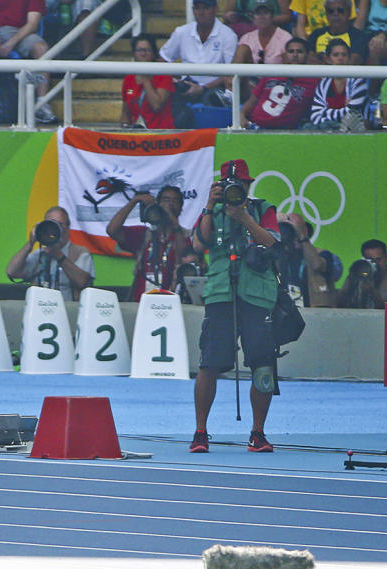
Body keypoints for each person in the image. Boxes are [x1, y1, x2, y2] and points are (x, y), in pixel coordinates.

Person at [190, 159, 281, 454]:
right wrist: (208, 207)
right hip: (220, 292)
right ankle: (200, 431)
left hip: (257, 293)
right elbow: (198, 245)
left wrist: (243, 217)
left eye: (241, 184)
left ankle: (258, 432)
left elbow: (271, 243)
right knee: (209, 362)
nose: (236, 189)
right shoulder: (211, 210)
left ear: (249, 185)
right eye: (230, 185)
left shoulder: (262, 209)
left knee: (263, 362)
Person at [0, 0, 56, 123]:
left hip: (21, 32)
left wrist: (10, 43)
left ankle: (42, 103)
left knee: (42, 49)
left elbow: (32, 24)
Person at [106, 185, 191, 301]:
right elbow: (112, 230)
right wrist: (134, 201)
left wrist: (174, 223)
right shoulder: (145, 234)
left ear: (181, 207)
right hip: (142, 301)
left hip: (172, 302)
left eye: (175, 201)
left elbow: (184, 256)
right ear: (158, 205)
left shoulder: (185, 235)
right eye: (165, 200)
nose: (169, 204)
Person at [159, 0, 239, 107]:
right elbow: (162, 60)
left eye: (206, 7)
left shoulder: (228, 35)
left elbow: (230, 74)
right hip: (185, 86)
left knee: (214, 99)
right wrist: (175, 80)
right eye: (197, 8)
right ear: (193, 10)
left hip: (214, 89)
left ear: (216, 9)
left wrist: (203, 88)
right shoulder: (181, 32)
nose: (201, 12)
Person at [6, 206, 94, 301]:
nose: (55, 229)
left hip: (69, 311)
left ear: (68, 228)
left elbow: (83, 282)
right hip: (39, 309)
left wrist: (59, 255)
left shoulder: (80, 252)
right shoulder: (40, 254)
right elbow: (12, 272)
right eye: (51, 224)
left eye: (60, 224)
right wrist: (30, 243)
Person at [239, 38, 320, 129]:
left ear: (307, 55)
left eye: (300, 51)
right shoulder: (272, 73)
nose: (295, 55)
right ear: (285, 55)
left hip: (284, 133)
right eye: (291, 51)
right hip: (255, 126)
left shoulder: (315, 81)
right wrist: (242, 116)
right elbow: (252, 101)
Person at [276, 212, 342, 307]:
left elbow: (317, 265)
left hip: (314, 311)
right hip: (286, 311)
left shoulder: (323, 254)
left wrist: (302, 236)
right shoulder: (280, 255)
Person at [307, 38, 368, 130]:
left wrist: (325, 112)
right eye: (336, 55)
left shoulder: (358, 81)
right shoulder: (323, 84)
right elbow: (315, 117)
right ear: (328, 59)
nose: (340, 58)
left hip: (353, 130)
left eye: (344, 55)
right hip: (328, 127)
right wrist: (344, 110)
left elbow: (353, 115)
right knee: (309, 127)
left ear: (349, 58)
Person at [120, 34, 174, 129]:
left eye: (147, 50)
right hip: (137, 134)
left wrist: (145, 79)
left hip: (161, 134)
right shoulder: (128, 79)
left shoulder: (164, 75)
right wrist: (124, 130)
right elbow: (125, 113)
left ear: (153, 53)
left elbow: (156, 105)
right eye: (139, 50)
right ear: (134, 53)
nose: (143, 54)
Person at [233, 0, 293, 65]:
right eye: (258, 13)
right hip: (252, 74)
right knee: (242, 49)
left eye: (265, 13)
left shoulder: (285, 38)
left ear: (272, 16)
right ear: (252, 17)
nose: (262, 17)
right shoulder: (246, 38)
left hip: (278, 74)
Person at [361, 238, 387, 302]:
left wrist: (373, 292)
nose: (374, 264)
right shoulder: (359, 277)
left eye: (378, 260)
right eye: (370, 261)